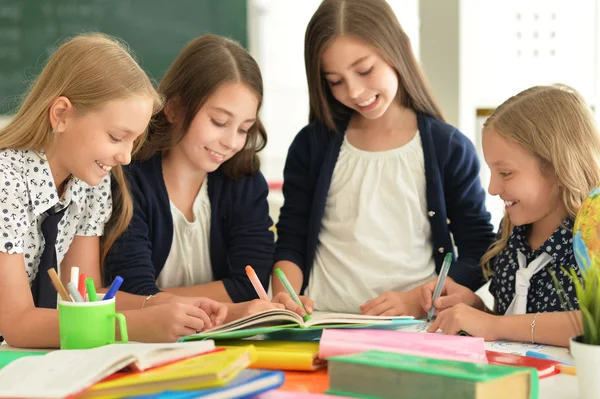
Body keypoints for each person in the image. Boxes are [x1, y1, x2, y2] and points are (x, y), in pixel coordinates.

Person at [0, 33, 226, 348]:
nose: (126, 157)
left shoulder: (89, 181)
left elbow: (85, 296)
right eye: (117, 137)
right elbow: (18, 324)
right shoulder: (6, 182)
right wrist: (131, 326)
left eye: (134, 141)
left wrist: (162, 305)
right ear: (62, 114)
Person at [272, 0, 494, 317]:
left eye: (364, 70)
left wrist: (420, 299)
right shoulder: (312, 145)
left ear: (397, 49)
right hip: (322, 321)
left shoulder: (449, 147)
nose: (355, 91)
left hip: (412, 327)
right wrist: (285, 297)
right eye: (335, 81)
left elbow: (479, 250)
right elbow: (291, 240)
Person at [104, 34, 280, 321]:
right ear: (173, 108)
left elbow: (250, 286)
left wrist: (157, 299)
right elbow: (133, 290)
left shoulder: (244, 180)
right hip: (144, 340)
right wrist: (223, 302)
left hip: (217, 338)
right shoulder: (126, 178)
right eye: (219, 122)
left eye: (244, 128)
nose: (231, 142)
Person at [421, 85, 600, 347]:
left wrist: (494, 325)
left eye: (505, 173)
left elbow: (590, 323)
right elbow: (515, 327)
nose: (492, 189)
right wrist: (477, 309)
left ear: (558, 168)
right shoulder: (511, 231)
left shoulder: (591, 232)